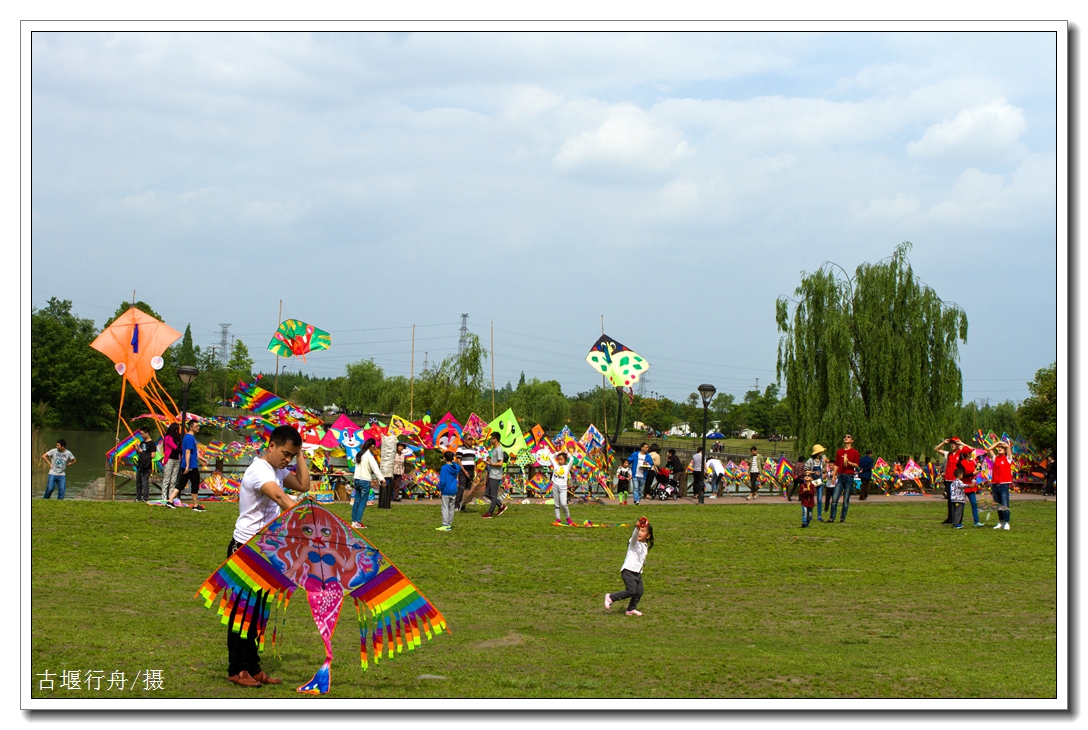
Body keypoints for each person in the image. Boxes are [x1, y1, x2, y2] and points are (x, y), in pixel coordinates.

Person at [227, 424, 310, 687]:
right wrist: (310, 525)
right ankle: (237, 669)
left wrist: (300, 454)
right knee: (242, 612)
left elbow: (303, 485)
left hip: (266, 550)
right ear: (271, 446)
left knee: (259, 612)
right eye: (285, 453)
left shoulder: (278, 469)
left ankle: (253, 667)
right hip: (245, 549)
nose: (287, 460)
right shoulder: (259, 470)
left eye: (292, 455)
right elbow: (282, 499)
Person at [603, 516, 654, 616]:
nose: (640, 533)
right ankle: (611, 597)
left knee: (639, 592)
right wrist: (637, 528)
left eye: (643, 531)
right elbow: (634, 536)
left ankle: (630, 609)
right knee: (631, 591)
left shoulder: (645, 546)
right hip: (628, 571)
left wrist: (643, 563)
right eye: (639, 530)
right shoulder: (633, 542)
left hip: (637, 573)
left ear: (648, 536)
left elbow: (641, 558)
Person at [171, 420, 207, 511]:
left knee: (181, 484)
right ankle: (195, 505)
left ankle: (170, 501)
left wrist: (202, 459)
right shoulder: (190, 438)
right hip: (191, 466)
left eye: (198, 426)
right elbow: (187, 452)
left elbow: (193, 452)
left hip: (186, 464)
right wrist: (188, 466)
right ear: (191, 427)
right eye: (196, 426)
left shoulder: (186, 437)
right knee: (195, 484)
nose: (198, 428)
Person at [351, 438, 381, 529]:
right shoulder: (369, 456)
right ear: (372, 446)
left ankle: (353, 522)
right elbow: (376, 469)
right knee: (363, 502)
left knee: (356, 501)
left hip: (357, 479)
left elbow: (353, 461)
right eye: (374, 446)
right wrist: (382, 479)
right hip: (364, 480)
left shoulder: (359, 454)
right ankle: (358, 522)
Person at [829, 434, 859, 523]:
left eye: (848, 437)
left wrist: (848, 462)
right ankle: (832, 518)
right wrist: (834, 476)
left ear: (852, 440)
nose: (846, 438)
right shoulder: (839, 452)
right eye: (845, 437)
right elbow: (836, 465)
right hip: (841, 476)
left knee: (845, 499)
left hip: (849, 476)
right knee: (834, 498)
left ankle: (842, 518)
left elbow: (856, 465)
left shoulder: (855, 452)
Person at [934, 437, 964, 524]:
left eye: (954, 443)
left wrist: (961, 443)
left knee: (957, 500)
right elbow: (936, 449)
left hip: (956, 480)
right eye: (951, 443)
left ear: (957, 444)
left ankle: (957, 519)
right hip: (948, 479)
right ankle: (950, 518)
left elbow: (971, 450)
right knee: (950, 500)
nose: (952, 445)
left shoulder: (961, 454)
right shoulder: (949, 454)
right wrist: (944, 443)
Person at [986, 440, 1013, 530]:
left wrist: (1006, 445)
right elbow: (989, 449)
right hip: (995, 485)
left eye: (1001, 448)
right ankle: (1001, 521)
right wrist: (998, 443)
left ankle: (1007, 522)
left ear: (1005, 450)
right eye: (999, 448)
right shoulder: (995, 458)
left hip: (1003, 485)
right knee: (998, 505)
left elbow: (1008, 449)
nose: (999, 449)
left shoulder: (1007, 458)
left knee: (1004, 505)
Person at [482, 432, 509, 518]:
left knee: (493, 495)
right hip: (491, 474)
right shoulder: (495, 449)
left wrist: (490, 464)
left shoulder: (499, 450)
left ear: (495, 439)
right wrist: (488, 460)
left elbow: (500, 463)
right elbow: (494, 461)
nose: (490, 440)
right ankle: (501, 506)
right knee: (487, 493)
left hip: (495, 475)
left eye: (491, 438)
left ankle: (490, 513)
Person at [957, 445, 981, 527]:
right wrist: (972, 474)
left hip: (971, 487)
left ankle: (976, 522)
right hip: (963, 486)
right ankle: (958, 522)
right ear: (967, 454)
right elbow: (962, 475)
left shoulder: (972, 462)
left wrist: (978, 468)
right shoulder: (961, 463)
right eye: (970, 452)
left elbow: (975, 472)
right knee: (961, 505)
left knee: (974, 504)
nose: (971, 453)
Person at [436, 451, 459, 532]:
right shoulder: (456, 467)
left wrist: (440, 489)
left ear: (445, 458)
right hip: (453, 490)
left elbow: (443, 480)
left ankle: (445, 525)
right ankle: (449, 524)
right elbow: (458, 466)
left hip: (446, 490)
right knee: (451, 508)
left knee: (445, 508)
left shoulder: (444, 468)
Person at [802, 445, 827, 521]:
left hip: (820, 481)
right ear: (817, 452)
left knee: (819, 499)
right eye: (821, 451)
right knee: (810, 498)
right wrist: (814, 472)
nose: (822, 452)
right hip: (812, 482)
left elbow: (824, 469)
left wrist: (824, 473)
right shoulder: (810, 461)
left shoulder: (822, 461)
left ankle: (819, 515)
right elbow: (805, 471)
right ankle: (810, 515)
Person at [551, 452, 576, 526]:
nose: (559, 461)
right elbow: (550, 457)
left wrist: (567, 453)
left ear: (565, 460)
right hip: (555, 486)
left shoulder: (567, 467)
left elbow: (572, 459)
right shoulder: (556, 465)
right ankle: (558, 518)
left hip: (563, 488)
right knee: (556, 504)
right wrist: (558, 453)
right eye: (558, 459)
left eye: (561, 459)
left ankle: (568, 518)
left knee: (563, 504)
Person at [160, 423, 182, 504]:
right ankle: (164, 497)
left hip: (176, 460)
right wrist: (183, 451)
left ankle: (170, 497)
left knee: (173, 480)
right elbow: (174, 447)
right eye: (177, 429)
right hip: (169, 459)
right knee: (166, 479)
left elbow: (180, 447)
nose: (178, 431)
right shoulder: (168, 438)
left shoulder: (178, 438)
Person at [455, 436, 477, 512]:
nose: (470, 440)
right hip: (463, 471)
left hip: (471, 471)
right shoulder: (460, 448)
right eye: (469, 439)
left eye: (471, 439)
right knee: (461, 487)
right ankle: (456, 505)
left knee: (467, 489)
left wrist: (475, 470)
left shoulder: (472, 449)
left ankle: (463, 505)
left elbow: (473, 460)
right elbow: (458, 460)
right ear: (465, 440)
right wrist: (464, 471)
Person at [378, 432, 397, 509]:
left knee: (386, 485)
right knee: (385, 484)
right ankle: (384, 504)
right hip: (386, 470)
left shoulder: (387, 449)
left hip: (386, 470)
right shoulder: (390, 448)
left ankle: (384, 504)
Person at [135, 428, 153, 502]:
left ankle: (145, 498)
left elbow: (153, 455)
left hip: (146, 466)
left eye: (142, 434)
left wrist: (142, 452)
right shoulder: (142, 443)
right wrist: (137, 450)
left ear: (147, 433)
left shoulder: (152, 444)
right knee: (138, 482)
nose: (141, 436)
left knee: (145, 483)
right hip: (140, 465)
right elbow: (139, 453)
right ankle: (138, 497)